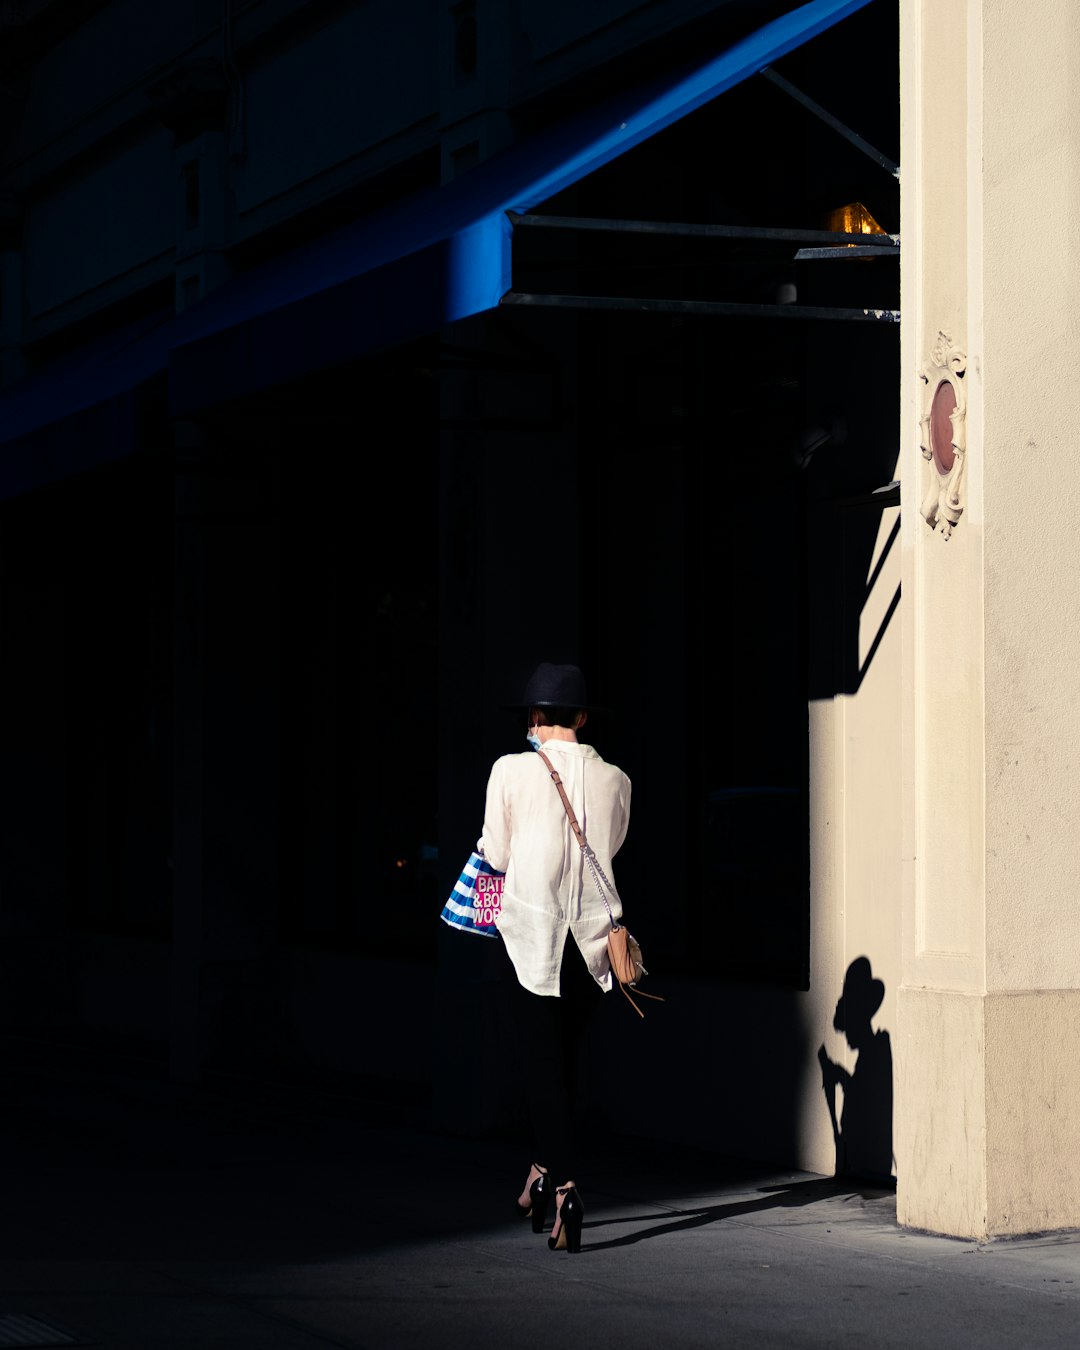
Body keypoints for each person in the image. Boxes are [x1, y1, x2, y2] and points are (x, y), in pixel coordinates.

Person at [477, 661, 631, 1254]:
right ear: (584, 719)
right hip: (593, 944)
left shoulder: (510, 770)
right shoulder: (616, 779)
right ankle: (540, 1176)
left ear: (535, 719)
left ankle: (565, 1188)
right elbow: (611, 846)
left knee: (541, 1069)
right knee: (563, 1066)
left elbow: (495, 849)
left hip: (531, 938)